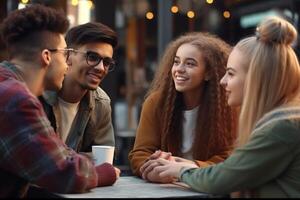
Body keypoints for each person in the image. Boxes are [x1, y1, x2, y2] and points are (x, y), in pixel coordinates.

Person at [148, 16, 300, 198]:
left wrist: (180, 171)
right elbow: (233, 170)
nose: (222, 81)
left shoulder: (282, 128)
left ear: (256, 80)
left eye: (230, 74)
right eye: (176, 61)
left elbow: (223, 179)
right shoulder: (283, 121)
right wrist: (188, 167)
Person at [0, 4, 119, 198]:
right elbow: (63, 174)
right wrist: (103, 173)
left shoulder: (8, 86)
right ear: (47, 56)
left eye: (107, 62)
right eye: (65, 54)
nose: (66, 63)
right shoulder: (16, 99)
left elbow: (57, 151)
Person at [128, 32, 237, 183]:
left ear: (208, 73)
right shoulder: (156, 102)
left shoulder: (227, 105)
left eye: (190, 64)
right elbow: (140, 153)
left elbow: (231, 156)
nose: (179, 69)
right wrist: (152, 170)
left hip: (208, 185)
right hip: (166, 188)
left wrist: (191, 167)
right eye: (176, 62)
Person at [39, 22, 117, 153]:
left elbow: (104, 159)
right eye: (92, 57)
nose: (101, 68)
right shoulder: (38, 92)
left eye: (107, 62)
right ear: (67, 55)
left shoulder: (101, 103)